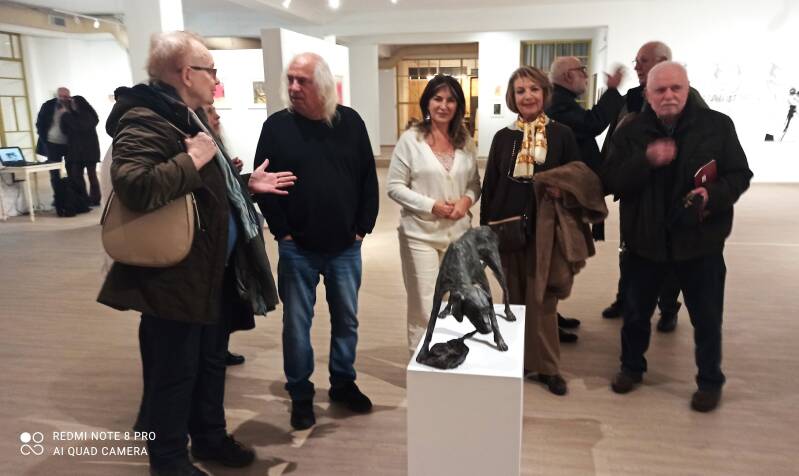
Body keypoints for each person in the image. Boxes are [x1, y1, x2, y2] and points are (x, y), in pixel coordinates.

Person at [97, 31, 287, 475]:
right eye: (211, 71)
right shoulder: (143, 119)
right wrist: (194, 159)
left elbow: (204, 193)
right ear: (186, 74)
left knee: (209, 363)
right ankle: (167, 460)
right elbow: (136, 185)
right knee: (174, 372)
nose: (215, 80)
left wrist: (245, 185)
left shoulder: (186, 117)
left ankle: (209, 438)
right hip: (174, 276)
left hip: (209, 269)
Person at [602, 62, 752, 412]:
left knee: (707, 318)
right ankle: (631, 367)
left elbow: (739, 174)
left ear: (687, 89)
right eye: (660, 90)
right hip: (644, 242)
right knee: (636, 314)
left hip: (700, 243)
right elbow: (608, 180)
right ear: (648, 94)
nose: (669, 95)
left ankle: (710, 381)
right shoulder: (630, 130)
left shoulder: (717, 125)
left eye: (676, 88)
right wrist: (646, 160)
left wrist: (711, 196)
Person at [253, 53, 379, 430]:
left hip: (345, 247)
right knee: (296, 325)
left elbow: (367, 179)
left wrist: (362, 228)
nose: (293, 87)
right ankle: (300, 393)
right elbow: (263, 184)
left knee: (347, 321)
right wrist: (283, 232)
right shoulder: (276, 127)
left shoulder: (350, 122)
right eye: (290, 79)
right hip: (297, 249)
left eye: (302, 80)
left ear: (322, 83)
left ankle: (342, 383)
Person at [480, 66, 582, 396]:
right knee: (513, 299)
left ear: (545, 93)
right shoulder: (503, 137)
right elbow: (491, 186)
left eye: (534, 89)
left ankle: (548, 367)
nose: (527, 96)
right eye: (521, 91)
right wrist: (486, 234)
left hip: (547, 230)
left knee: (543, 300)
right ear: (512, 97)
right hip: (507, 230)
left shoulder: (562, 135)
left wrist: (563, 191)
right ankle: (517, 362)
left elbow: (579, 179)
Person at [600, 41, 708, 333]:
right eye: (636, 61)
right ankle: (626, 298)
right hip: (636, 191)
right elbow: (616, 140)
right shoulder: (633, 98)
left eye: (642, 61)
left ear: (662, 61)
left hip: (671, 194)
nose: (636, 67)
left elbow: (701, 143)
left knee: (670, 255)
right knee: (629, 251)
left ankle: (668, 307)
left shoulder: (691, 99)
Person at [387, 75, 481, 355]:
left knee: (458, 299)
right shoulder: (411, 140)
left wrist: (466, 200)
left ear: (458, 106)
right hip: (420, 235)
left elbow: (475, 183)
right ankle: (422, 358)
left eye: (450, 100)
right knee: (425, 303)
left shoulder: (465, 141)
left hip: (459, 236)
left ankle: (451, 353)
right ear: (427, 102)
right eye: (437, 98)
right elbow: (394, 187)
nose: (443, 105)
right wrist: (432, 205)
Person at [545, 56, 625, 338]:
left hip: (568, 195)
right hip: (560, 198)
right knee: (555, 260)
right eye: (581, 71)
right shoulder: (558, 104)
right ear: (568, 76)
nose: (585, 77)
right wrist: (612, 91)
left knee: (560, 260)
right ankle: (546, 321)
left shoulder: (562, 102)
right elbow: (592, 123)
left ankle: (550, 315)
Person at [202, 103, 247, 367]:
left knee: (223, 307)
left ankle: (218, 351)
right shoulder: (197, 150)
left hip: (224, 250)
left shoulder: (213, 147)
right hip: (209, 251)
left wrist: (234, 174)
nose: (217, 115)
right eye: (210, 110)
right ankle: (212, 356)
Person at [61, 95, 101, 206]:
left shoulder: (89, 115)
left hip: (89, 151)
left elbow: (80, 127)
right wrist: (66, 115)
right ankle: (83, 198)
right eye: (71, 103)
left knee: (92, 175)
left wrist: (66, 115)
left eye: (74, 103)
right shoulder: (70, 116)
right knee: (77, 176)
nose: (73, 105)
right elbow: (64, 130)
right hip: (76, 151)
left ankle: (95, 199)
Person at [35, 87, 73, 193]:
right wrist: (44, 140)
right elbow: (40, 123)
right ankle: (58, 196)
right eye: (61, 96)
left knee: (72, 170)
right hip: (52, 143)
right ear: (57, 96)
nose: (63, 99)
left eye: (66, 96)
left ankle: (72, 196)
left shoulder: (73, 105)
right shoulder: (48, 105)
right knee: (54, 172)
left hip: (69, 143)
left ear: (69, 96)